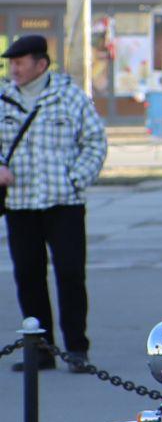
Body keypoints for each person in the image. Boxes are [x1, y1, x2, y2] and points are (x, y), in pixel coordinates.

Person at [0, 35, 107, 371]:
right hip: (20, 205)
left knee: (70, 274)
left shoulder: (70, 97)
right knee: (28, 276)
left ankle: (77, 348)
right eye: (10, 63)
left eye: (20, 63)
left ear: (41, 64)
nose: (13, 69)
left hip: (65, 204)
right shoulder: (3, 100)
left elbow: (95, 142)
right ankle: (41, 350)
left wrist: (75, 178)